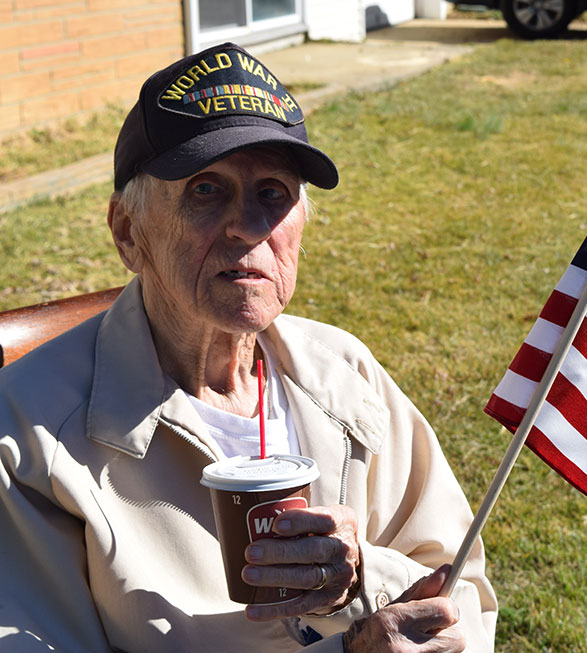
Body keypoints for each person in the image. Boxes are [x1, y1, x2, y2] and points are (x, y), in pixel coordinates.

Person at [0, 43, 496, 652]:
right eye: (206, 190)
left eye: (273, 192)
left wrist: (366, 574)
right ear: (129, 234)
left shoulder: (345, 376)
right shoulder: (29, 435)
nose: (250, 226)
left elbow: (462, 592)